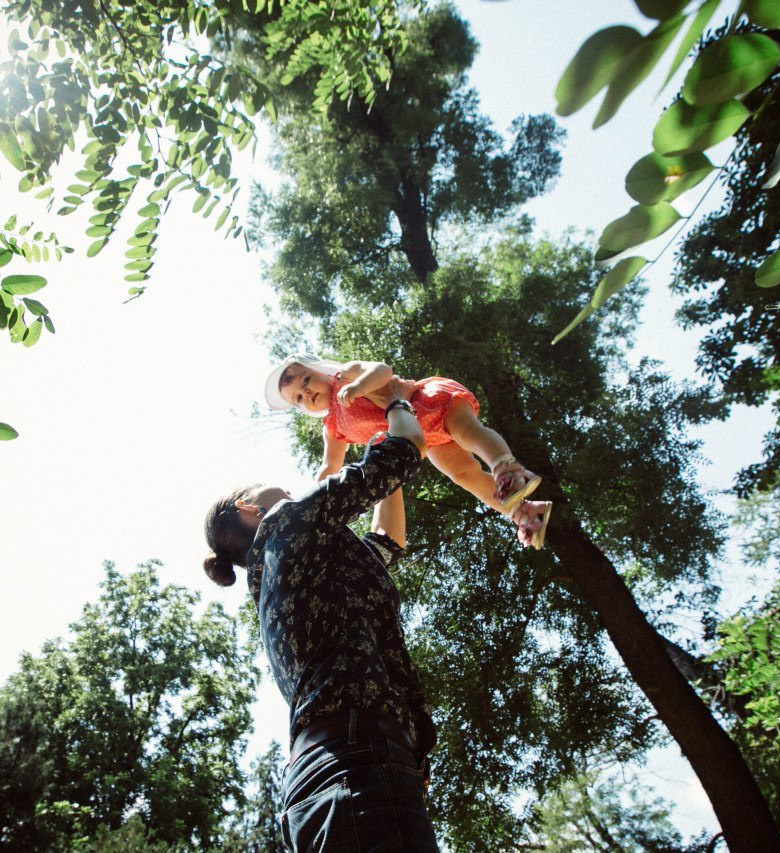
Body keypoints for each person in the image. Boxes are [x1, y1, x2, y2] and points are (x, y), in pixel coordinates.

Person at [203, 378, 440, 851]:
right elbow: (404, 451)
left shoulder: (284, 571)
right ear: (249, 507)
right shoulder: (287, 522)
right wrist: (395, 400)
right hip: (358, 762)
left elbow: (385, 547)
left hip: (324, 779)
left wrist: (376, 436)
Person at [265, 353, 551, 549]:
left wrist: (359, 386)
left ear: (320, 368)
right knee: (464, 475)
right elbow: (329, 467)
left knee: (467, 431)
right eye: (299, 398)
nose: (306, 393)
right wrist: (310, 507)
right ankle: (523, 512)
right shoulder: (332, 428)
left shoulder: (345, 375)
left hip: (427, 401)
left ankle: (507, 468)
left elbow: (383, 370)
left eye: (306, 380)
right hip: (425, 435)